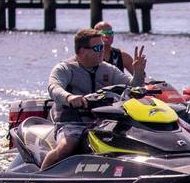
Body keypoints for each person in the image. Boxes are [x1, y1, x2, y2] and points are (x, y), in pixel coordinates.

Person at [41, 28, 147, 169]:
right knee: (67, 147)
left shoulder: (108, 69)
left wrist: (139, 73)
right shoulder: (65, 68)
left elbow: (133, 86)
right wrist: (70, 97)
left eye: (103, 46)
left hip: (102, 122)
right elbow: (54, 88)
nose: (102, 50)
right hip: (72, 122)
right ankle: (39, 178)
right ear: (82, 51)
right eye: (97, 48)